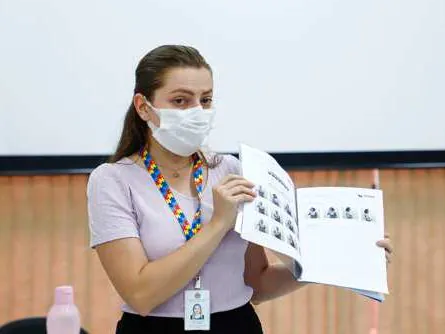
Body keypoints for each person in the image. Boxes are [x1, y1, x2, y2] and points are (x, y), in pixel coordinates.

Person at [87, 45, 393, 333]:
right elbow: (141, 294)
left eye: (205, 100)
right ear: (143, 106)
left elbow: (257, 283)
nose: (197, 111)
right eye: (181, 100)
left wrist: (338, 258)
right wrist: (219, 224)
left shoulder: (230, 170)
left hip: (237, 325)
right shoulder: (112, 180)